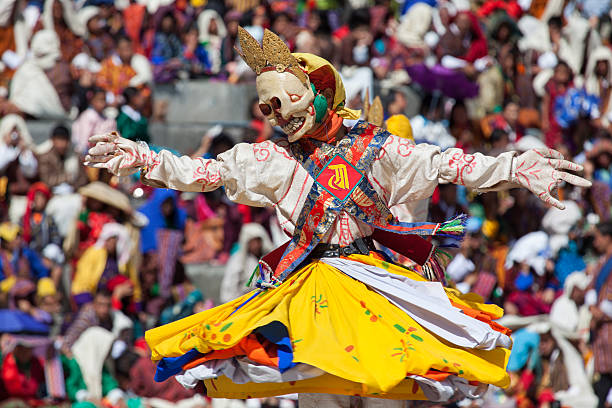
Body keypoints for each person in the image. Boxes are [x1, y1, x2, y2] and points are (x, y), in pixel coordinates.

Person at [86, 29, 591, 406]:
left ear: (321, 88)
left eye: (288, 101)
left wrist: (514, 166)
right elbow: (203, 172)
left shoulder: (380, 148)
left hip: (377, 286)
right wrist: (146, 158)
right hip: (309, 291)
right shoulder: (272, 159)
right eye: (269, 108)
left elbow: (449, 163)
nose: (280, 116)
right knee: (317, 390)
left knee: (386, 386)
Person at [220, 223, 273, 302]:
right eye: (253, 242)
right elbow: (229, 288)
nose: (257, 245)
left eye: (258, 241)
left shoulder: (267, 259)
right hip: (243, 302)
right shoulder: (238, 260)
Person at [591, 221, 612, 408]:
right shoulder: (600, 263)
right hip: (601, 332)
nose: (595, 241)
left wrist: (602, 311)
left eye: (598, 237)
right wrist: (592, 308)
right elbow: (591, 289)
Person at [37, 124, 88, 192]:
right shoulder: (45, 158)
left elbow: (83, 179)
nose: (61, 144)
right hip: (51, 195)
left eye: (64, 140)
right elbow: (46, 180)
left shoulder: (76, 156)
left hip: (74, 193)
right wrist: (66, 178)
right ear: (53, 140)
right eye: (59, 139)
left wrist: (73, 187)